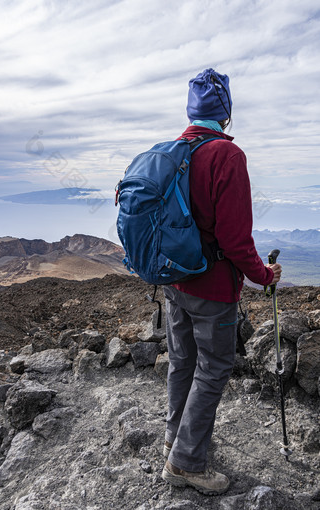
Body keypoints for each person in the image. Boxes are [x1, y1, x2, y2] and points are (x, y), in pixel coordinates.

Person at [161, 68, 282, 495]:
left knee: (182, 361)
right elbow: (235, 238)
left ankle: (175, 439)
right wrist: (263, 276)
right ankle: (187, 462)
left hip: (174, 283)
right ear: (225, 112)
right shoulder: (227, 157)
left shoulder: (174, 151)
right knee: (214, 368)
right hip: (212, 289)